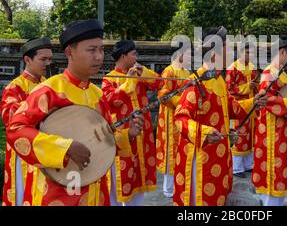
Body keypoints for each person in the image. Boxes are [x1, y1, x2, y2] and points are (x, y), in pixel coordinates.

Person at [6, 20, 143, 206]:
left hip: (95, 190)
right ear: (70, 52)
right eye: (91, 50)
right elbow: (16, 129)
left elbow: (102, 139)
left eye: (101, 50)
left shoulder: (97, 94)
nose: (99, 57)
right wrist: (65, 147)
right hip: (58, 191)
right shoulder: (50, 90)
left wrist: (127, 135)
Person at [172, 27, 266, 206]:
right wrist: (205, 132)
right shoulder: (197, 83)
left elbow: (232, 107)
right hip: (201, 157)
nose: (232, 53)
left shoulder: (218, 79)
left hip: (220, 154)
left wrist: (254, 101)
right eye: (229, 48)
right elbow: (181, 118)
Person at [102, 40, 163, 206]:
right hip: (123, 136)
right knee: (120, 177)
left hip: (142, 134)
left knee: (139, 175)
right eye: (134, 54)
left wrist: (144, 72)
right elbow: (110, 101)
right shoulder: (109, 79)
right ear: (123, 56)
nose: (137, 57)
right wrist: (129, 82)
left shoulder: (139, 74)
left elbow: (159, 83)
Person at [252, 35, 287, 207]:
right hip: (272, 131)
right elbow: (267, 100)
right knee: (274, 168)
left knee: (282, 168)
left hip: (282, 130)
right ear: (282, 52)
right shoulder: (269, 75)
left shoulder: (280, 74)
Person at [1, 38, 52, 206]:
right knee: (23, 193)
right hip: (23, 151)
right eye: (43, 59)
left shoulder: (48, 85)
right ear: (27, 60)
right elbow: (9, 117)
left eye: (49, 59)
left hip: (45, 149)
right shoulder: (15, 87)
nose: (47, 63)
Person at [155, 47, 190, 198]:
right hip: (170, 117)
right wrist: (182, 102)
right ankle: (168, 188)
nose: (189, 56)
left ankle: (180, 184)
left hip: (183, 115)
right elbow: (163, 95)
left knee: (182, 149)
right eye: (188, 53)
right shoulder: (169, 72)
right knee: (171, 150)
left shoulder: (186, 72)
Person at [225, 42, 259, 178]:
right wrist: (247, 86)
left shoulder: (252, 68)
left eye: (252, 53)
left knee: (250, 135)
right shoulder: (232, 68)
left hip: (252, 105)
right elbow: (229, 89)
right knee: (239, 135)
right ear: (240, 53)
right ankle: (237, 167)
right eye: (247, 52)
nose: (250, 55)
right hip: (238, 107)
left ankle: (248, 164)